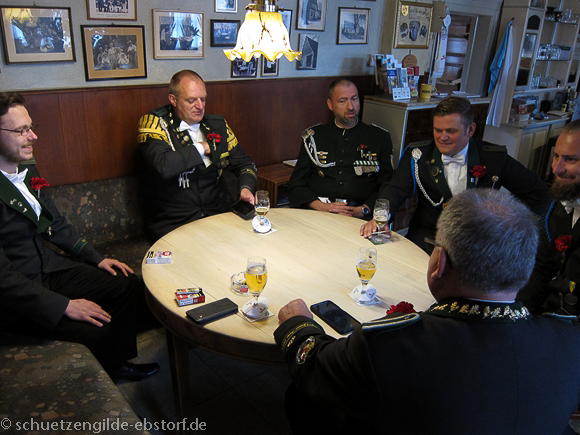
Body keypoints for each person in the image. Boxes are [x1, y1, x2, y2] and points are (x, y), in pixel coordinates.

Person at [275, 188, 580, 434]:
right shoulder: (570, 341)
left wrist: (298, 324)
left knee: (300, 398)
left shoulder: (392, 346)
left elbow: (314, 366)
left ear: (440, 262)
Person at [0, 92, 158, 381]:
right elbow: (4, 280)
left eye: (31, 127)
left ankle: (118, 364)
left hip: (48, 268)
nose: (33, 136)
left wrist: (97, 259)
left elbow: (55, 223)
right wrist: (64, 305)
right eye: (21, 131)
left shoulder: (27, 168)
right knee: (97, 327)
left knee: (124, 281)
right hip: (17, 297)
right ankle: (107, 374)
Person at [360, 96, 551, 252]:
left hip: (477, 244)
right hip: (427, 240)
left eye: (451, 131)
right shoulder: (418, 155)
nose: (442, 137)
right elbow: (394, 188)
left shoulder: (494, 158)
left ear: (470, 129)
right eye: (437, 130)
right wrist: (381, 218)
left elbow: (539, 193)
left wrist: (511, 228)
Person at [137, 70, 257, 240]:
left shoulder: (218, 125)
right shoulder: (154, 123)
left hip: (216, 217)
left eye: (203, 99)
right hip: (173, 224)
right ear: (173, 99)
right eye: (191, 100)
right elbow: (162, 166)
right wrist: (202, 147)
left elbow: (245, 163)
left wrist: (245, 188)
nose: (200, 106)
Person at [287, 79, 393, 219]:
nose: (350, 107)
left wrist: (364, 210)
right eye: (342, 101)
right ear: (330, 104)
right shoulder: (314, 137)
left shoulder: (379, 137)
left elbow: (388, 187)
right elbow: (296, 186)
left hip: (362, 216)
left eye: (354, 99)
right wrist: (321, 206)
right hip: (320, 213)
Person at [518, 120, 580, 316]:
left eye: (570, 159)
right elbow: (540, 270)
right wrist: (517, 316)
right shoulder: (557, 207)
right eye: (556, 156)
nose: (556, 169)